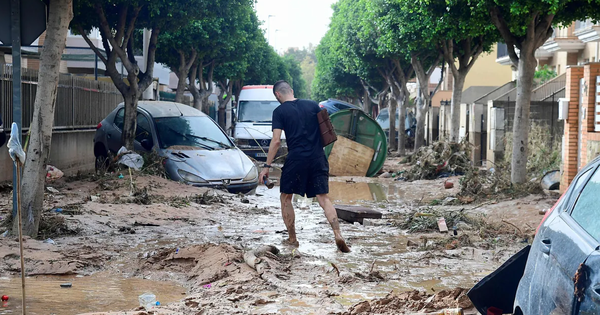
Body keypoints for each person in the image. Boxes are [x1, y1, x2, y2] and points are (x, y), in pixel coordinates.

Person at [259, 81, 351, 253]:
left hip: (296, 159)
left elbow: (276, 140)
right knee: (324, 199)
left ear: (277, 95)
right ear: (291, 91)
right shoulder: (312, 105)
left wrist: (266, 166)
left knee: (286, 197)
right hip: (318, 157)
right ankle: (338, 234)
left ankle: (293, 239)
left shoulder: (279, 111)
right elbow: (328, 131)